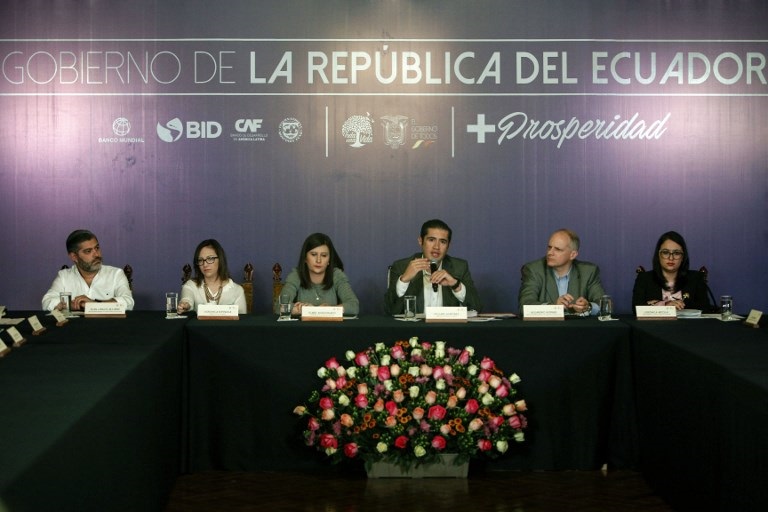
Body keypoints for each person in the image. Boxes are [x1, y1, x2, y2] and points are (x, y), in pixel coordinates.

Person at [384, 219, 482, 315]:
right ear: (420, 241)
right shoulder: (401, 266)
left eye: (443, 242)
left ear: (448, 245)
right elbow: (389, 310)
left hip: (448, 329)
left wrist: (456, 285)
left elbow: (476, 308)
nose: (436, 247)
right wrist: (404, 280)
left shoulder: (459, 267)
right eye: (431, 240)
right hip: (415, 329)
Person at [518, 228, 605, 316]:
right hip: (545, 328)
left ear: (572, 255)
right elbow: (524, 306)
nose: (550, 253)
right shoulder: (534, 270)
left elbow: (605, 305)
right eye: (549, 247)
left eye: (557, 249)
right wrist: (554, 308)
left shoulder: (588, 272)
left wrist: (589, 307)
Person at [42, 229, 135, 311]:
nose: (97, 255)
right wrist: (70, 305)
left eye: (97, 248)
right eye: (88, 251)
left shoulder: (116, 274)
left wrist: (94, 305)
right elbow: (47, 301)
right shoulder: (64, 276)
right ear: (74, 256)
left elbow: (128, 302)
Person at [281, 233, 359, 316]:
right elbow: (280, 306)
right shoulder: (296, 275)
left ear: (329, 260)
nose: (318, 260)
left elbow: (353, 306)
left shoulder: (336, 275)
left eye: (324, 255)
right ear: (305, 258)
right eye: (313, 254)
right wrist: (304, 310)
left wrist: (325, 310)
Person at [632, 231, 711, 311]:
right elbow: (636, 309)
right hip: (656, 323)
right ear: (658, 255)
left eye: (676, 253)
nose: (671, 258)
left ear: (683, 257)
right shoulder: (644, 279)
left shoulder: (696, 278)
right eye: (665, 252)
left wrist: (656, 304)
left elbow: (705, 308)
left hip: (687, 323)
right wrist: (665, 304)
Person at [178, 239, 247, 314]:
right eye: (200, 260)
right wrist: (185, 305)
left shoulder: (237, 290)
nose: (205, 264)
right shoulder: (190, 286)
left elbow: (242, 320)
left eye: (210, 258)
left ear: (220, 260)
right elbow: (187, 300)